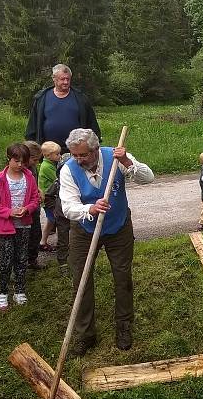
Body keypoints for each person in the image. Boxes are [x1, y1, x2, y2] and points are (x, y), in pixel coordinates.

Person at [60, 128, 154, 355]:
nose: (79, 160)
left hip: (118, 226)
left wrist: (127, 162)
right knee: (81, 280)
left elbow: (148, 177)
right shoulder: (68, 169)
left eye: (83, 155)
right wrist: (88, 208)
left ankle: (123, 326)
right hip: (84, 229)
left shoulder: (115, 156)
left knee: (122, 277)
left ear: (96, 149)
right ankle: (85, 335)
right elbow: (68, 207)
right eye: (75, 155)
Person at [0, 143, 41, 310]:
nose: (20, 165)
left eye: (23, 161)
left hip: (24, 226)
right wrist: (8, 212)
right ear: (8, 159)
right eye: (16, 161)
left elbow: (35, 199)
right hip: (4, 227)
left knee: (21, 259)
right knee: (5, 261)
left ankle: (19, 289)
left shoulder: (29, 177)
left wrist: (27, 209)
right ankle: (2, 292)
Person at [25, 64, 101, 149]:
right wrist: (31, 145)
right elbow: (33, 124)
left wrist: (96, 143)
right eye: (62, 79)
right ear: (54, 79)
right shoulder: (42, 98)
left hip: (76, 150)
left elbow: (91, 123)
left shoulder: (81, 98)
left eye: (68, 79)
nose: (66, 82)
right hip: (48, 150)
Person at [23, 141, 45, 271]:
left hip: (35, 208)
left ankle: (32, 260)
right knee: (25, 236)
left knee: (36, 234)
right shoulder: (20, 170)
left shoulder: (33, 168)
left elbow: (34, 185)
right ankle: (22, 262)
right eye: (35, 159)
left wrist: (39, 190)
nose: (37, 162)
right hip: (26, 209)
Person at [38, 141, 61, 252]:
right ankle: (57, 242)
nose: (59, 156)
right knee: (56, 219)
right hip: (48, 197)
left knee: (51, 220)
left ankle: (43, 241)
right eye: (57, 154)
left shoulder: (49, 164)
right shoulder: (47, 167)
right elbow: (57, 178)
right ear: (48, 155)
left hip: (49, 197)